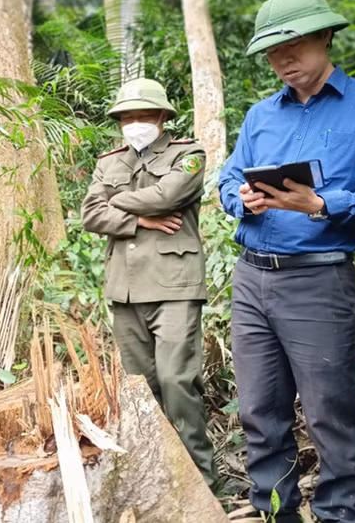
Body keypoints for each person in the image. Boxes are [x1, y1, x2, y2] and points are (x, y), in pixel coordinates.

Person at [217, 0, 355, 522]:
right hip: (252, 281)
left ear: (325, 36)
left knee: (330, 416)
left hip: (319, 284)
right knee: (259, 413)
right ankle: (274, 512)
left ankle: (344, 515)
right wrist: (241, 197)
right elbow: (229, 176)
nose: (283, 60)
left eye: (294, 45)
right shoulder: (260, 115)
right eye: (272, 52)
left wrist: (322, 204)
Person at [81, 78, 218, 485]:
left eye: (142, 115)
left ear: (161, 116)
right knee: (141, 390)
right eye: (126, 116)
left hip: (174, 284)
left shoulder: (187, 153)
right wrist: (138, 219)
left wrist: (115, 202)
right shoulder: (110, 161)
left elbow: (166, 197)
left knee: (177, 383)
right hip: (125, 288)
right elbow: (90, 215)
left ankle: (201, 481)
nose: (133, 123)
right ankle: (157, 479)